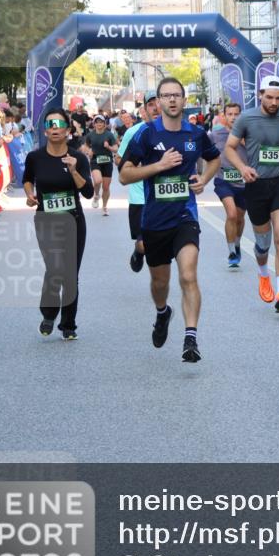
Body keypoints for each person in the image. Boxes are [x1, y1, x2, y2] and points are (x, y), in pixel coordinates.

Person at [119, 77, 220, 363]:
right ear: (158, 102)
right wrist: (159, 166)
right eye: (166, 96)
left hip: (185, 216)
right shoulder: (146, 134)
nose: (172, 100)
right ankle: (163, 313)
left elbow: (214, 159)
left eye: (177, 95)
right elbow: (124, 175)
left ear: (184, 100)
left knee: (188, 274)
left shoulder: (196, 134)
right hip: (154, 221)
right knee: (159, 283)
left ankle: (191, 337)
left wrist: (203, 179)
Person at [223, 75, 279, 312]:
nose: (273, 102)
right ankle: (263, 274)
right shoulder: (247, 118)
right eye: (269, 97)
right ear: (260, 95)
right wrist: (242, 167)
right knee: (263, 243)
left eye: (278, 98)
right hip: (256, 183)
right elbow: (229, 147)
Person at [22, 109, 94, 340]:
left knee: (70, 274)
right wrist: (30, 194)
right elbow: (27, 179)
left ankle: (69, 324)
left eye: (59, 124)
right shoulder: (35, 157)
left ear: (67, 130)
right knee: (55, 269)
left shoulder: (78, 158)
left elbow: (89, 192)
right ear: (45, 129)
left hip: (73, 220)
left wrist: (73, 170)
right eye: (50, 124)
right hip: (46, 220)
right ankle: (49, 313)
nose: (54, 128)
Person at [117, 92, 161, 272]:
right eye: (151, 104)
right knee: (143, 244)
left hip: (164, 198)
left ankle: (160, 280)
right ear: (144, 110)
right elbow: (119, 159)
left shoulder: (175, 130)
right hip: (140, 196)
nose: (157, 107)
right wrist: (138, 169)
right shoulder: (134, 132)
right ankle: (138, 252)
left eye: (159, 102)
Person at [210, 102, 249, 267]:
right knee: (232, 214)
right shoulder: (215, 134)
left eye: (236, 114)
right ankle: (231, 251)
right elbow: (201, 150)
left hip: (244, 182)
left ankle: (237, 243)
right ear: (224, 116)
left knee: (240, 218)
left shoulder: (248, 134)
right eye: (230, 114)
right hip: (223, 179)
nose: (233, 117)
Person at [82, 114, 118, 215]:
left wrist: (109, 148)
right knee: (97, 181)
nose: (99, 124)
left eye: (101, 122)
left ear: (104, 124)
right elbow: (85, 146)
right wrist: (89, 151)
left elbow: (116, 149)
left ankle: (105, 206)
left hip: (107, 162)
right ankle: (96, 195)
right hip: (95, 161)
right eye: (97, 122)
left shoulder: (109, 135)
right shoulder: (90, 135)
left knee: (106, 187)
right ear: (94, 124)